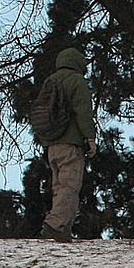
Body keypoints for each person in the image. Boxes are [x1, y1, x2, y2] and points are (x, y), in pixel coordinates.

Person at [32, 48, 96, 243]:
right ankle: (55, 224)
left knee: (59, 186)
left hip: (52, 144)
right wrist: (90, 138)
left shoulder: (51, 81)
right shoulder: (77, 81)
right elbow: (83, 112)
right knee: (70, 185)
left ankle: (63, 229)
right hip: (71, 143)